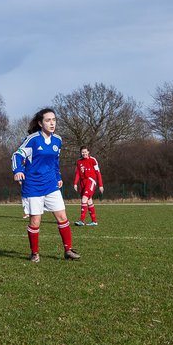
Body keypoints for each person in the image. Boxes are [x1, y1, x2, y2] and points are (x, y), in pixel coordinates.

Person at [13, 108, 80, 262]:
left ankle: (68, 250)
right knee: (35, 221)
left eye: (54, 120)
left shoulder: (58, 140)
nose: (52, 123)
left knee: (62, 217)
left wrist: (58, 176)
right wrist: (18, 170)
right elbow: (17, 155)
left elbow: (55, 162)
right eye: (48, 120)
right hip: (33, 185)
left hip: (51, 184)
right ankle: (35, 253)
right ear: (40, 123)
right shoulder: (33, 139)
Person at [74, 146, 102, 226]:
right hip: (83, 183)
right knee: (89, 200)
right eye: (82, 152)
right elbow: (78, 173)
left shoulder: (93, 160)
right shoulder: (79, 162)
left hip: (91, 180)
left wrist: (100, 185)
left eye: (85, 152)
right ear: (80, 153)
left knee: (84, 198)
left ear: (88, 152)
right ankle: (94, 221)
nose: (84, 153)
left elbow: (98, 173)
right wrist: (75, 183)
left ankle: (81, 221)